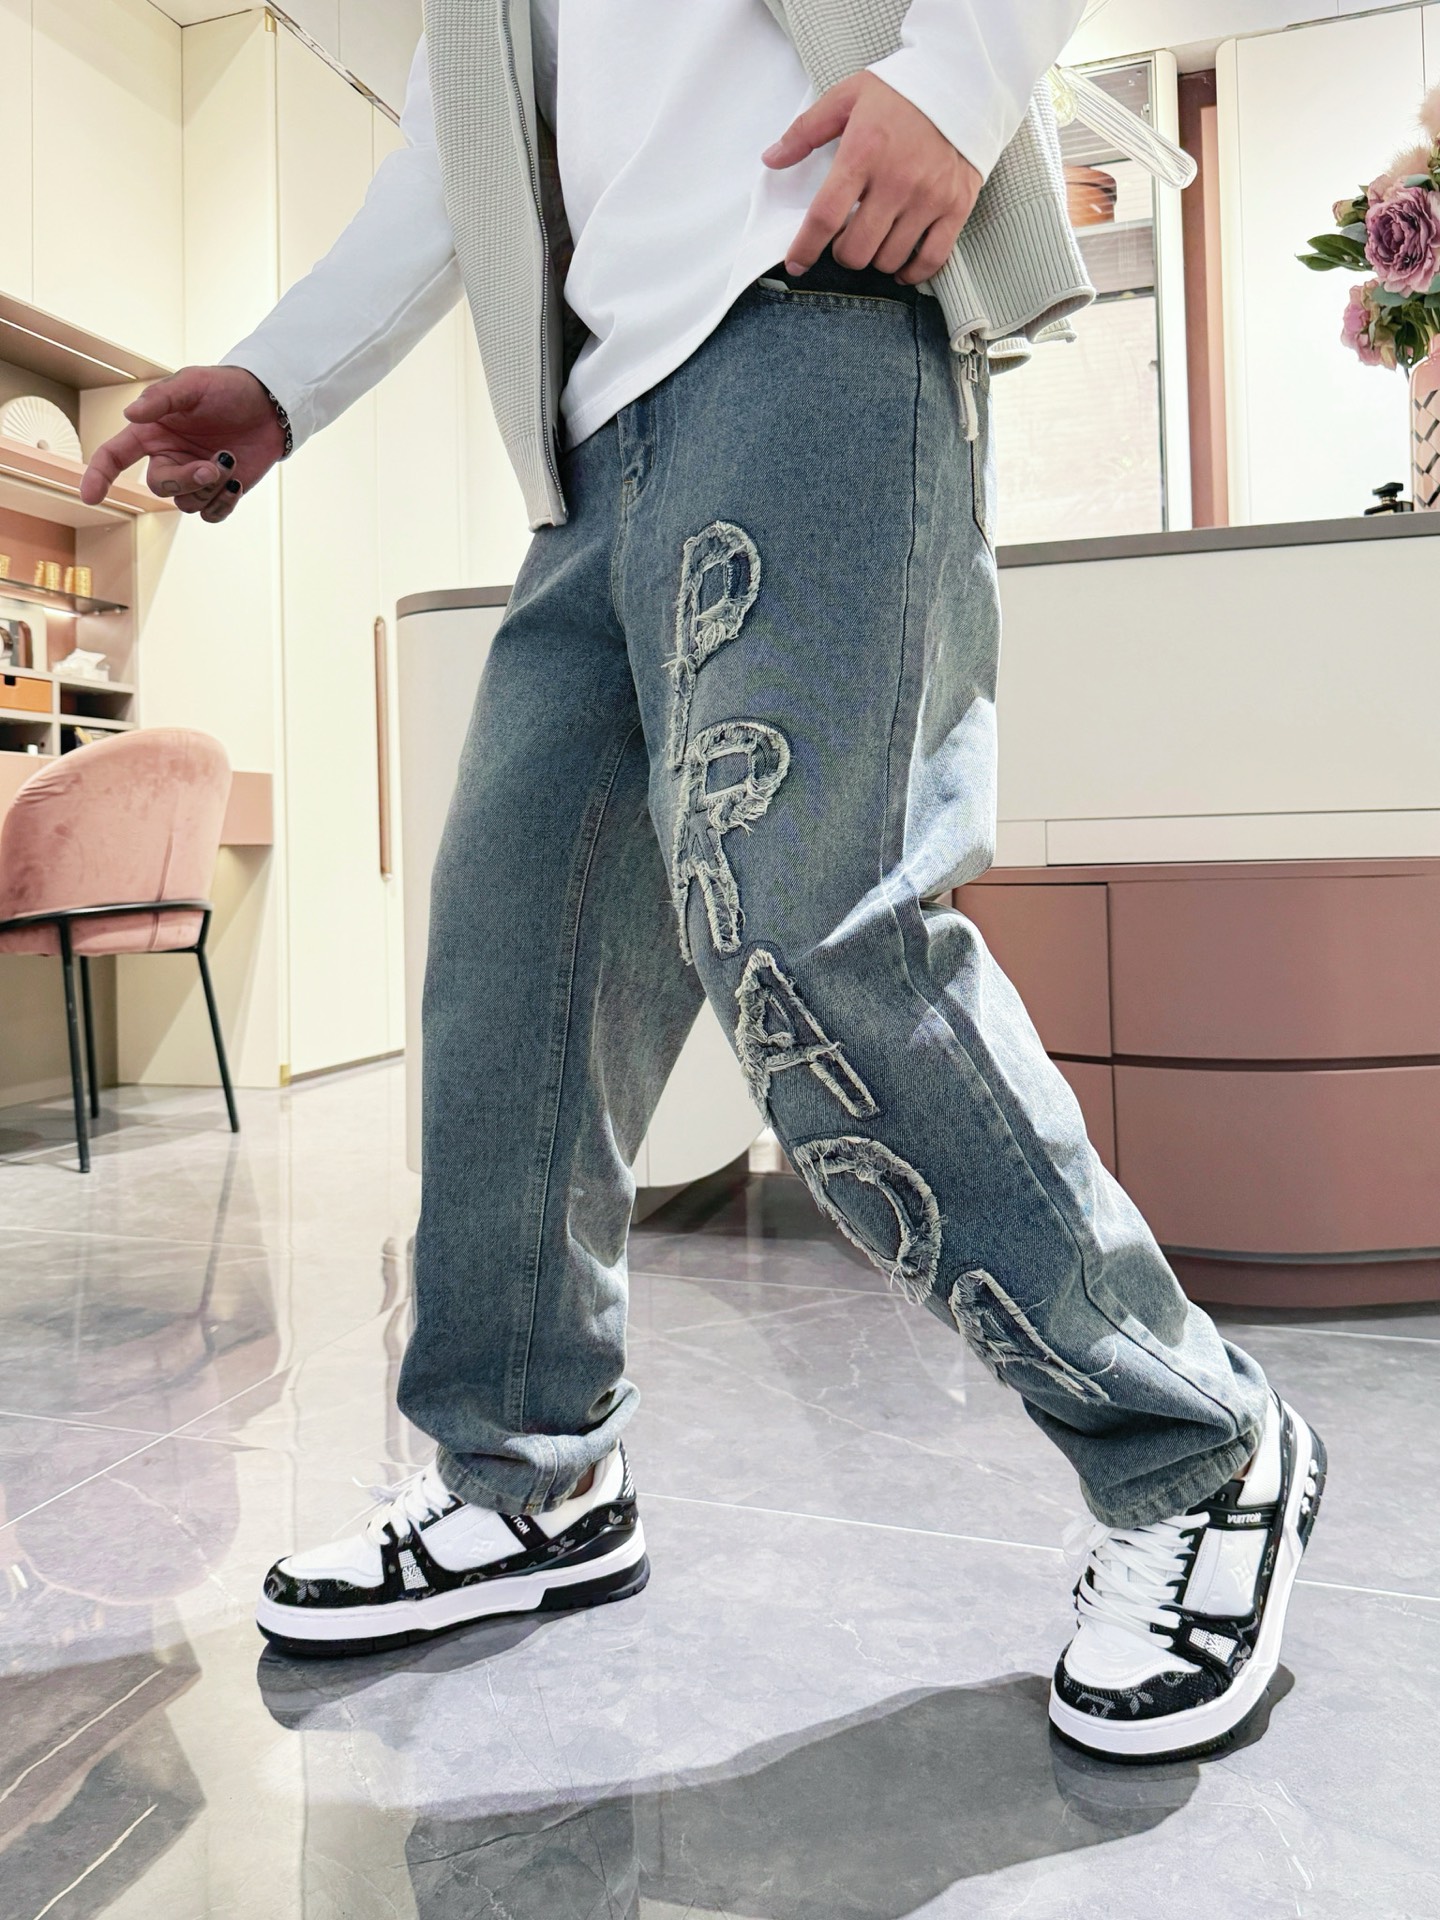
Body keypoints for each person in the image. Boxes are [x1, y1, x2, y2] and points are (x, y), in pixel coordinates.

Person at [83, 1, 1325, 1764]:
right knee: (510, 975)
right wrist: (284, 379)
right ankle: (530, 1481)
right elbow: (460, 147)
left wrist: (961, 79)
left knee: (811, 932)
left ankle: (1199, 1445)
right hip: (596, 448)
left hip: (814, 319)